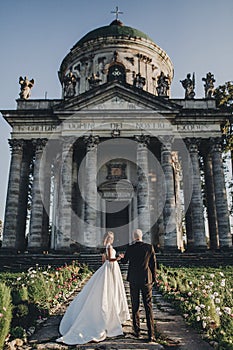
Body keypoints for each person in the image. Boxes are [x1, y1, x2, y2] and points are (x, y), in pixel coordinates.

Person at [56, 231, 130, 345]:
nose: (113, 239)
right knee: (110, 291)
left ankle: (112, 315)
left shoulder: (106, 247)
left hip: (108, 269)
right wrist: (119, 258)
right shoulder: (110, 247)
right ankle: (111, 317)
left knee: (105, 290)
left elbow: (103, 261)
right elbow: (110, 260)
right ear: (111, 239)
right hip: (111, 268)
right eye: (112, 238)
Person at [121, 229, 157, 343]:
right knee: (148, 306)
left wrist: (121, 257)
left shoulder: (130, 248)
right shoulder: (149, 247)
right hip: (146, 280)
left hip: (134, 280)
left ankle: (137, 331)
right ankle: (151, 334)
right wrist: (154, 278)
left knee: (135, 305)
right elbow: (153, 264)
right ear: (141, 236)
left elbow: (124, 262)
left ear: (133, 237)